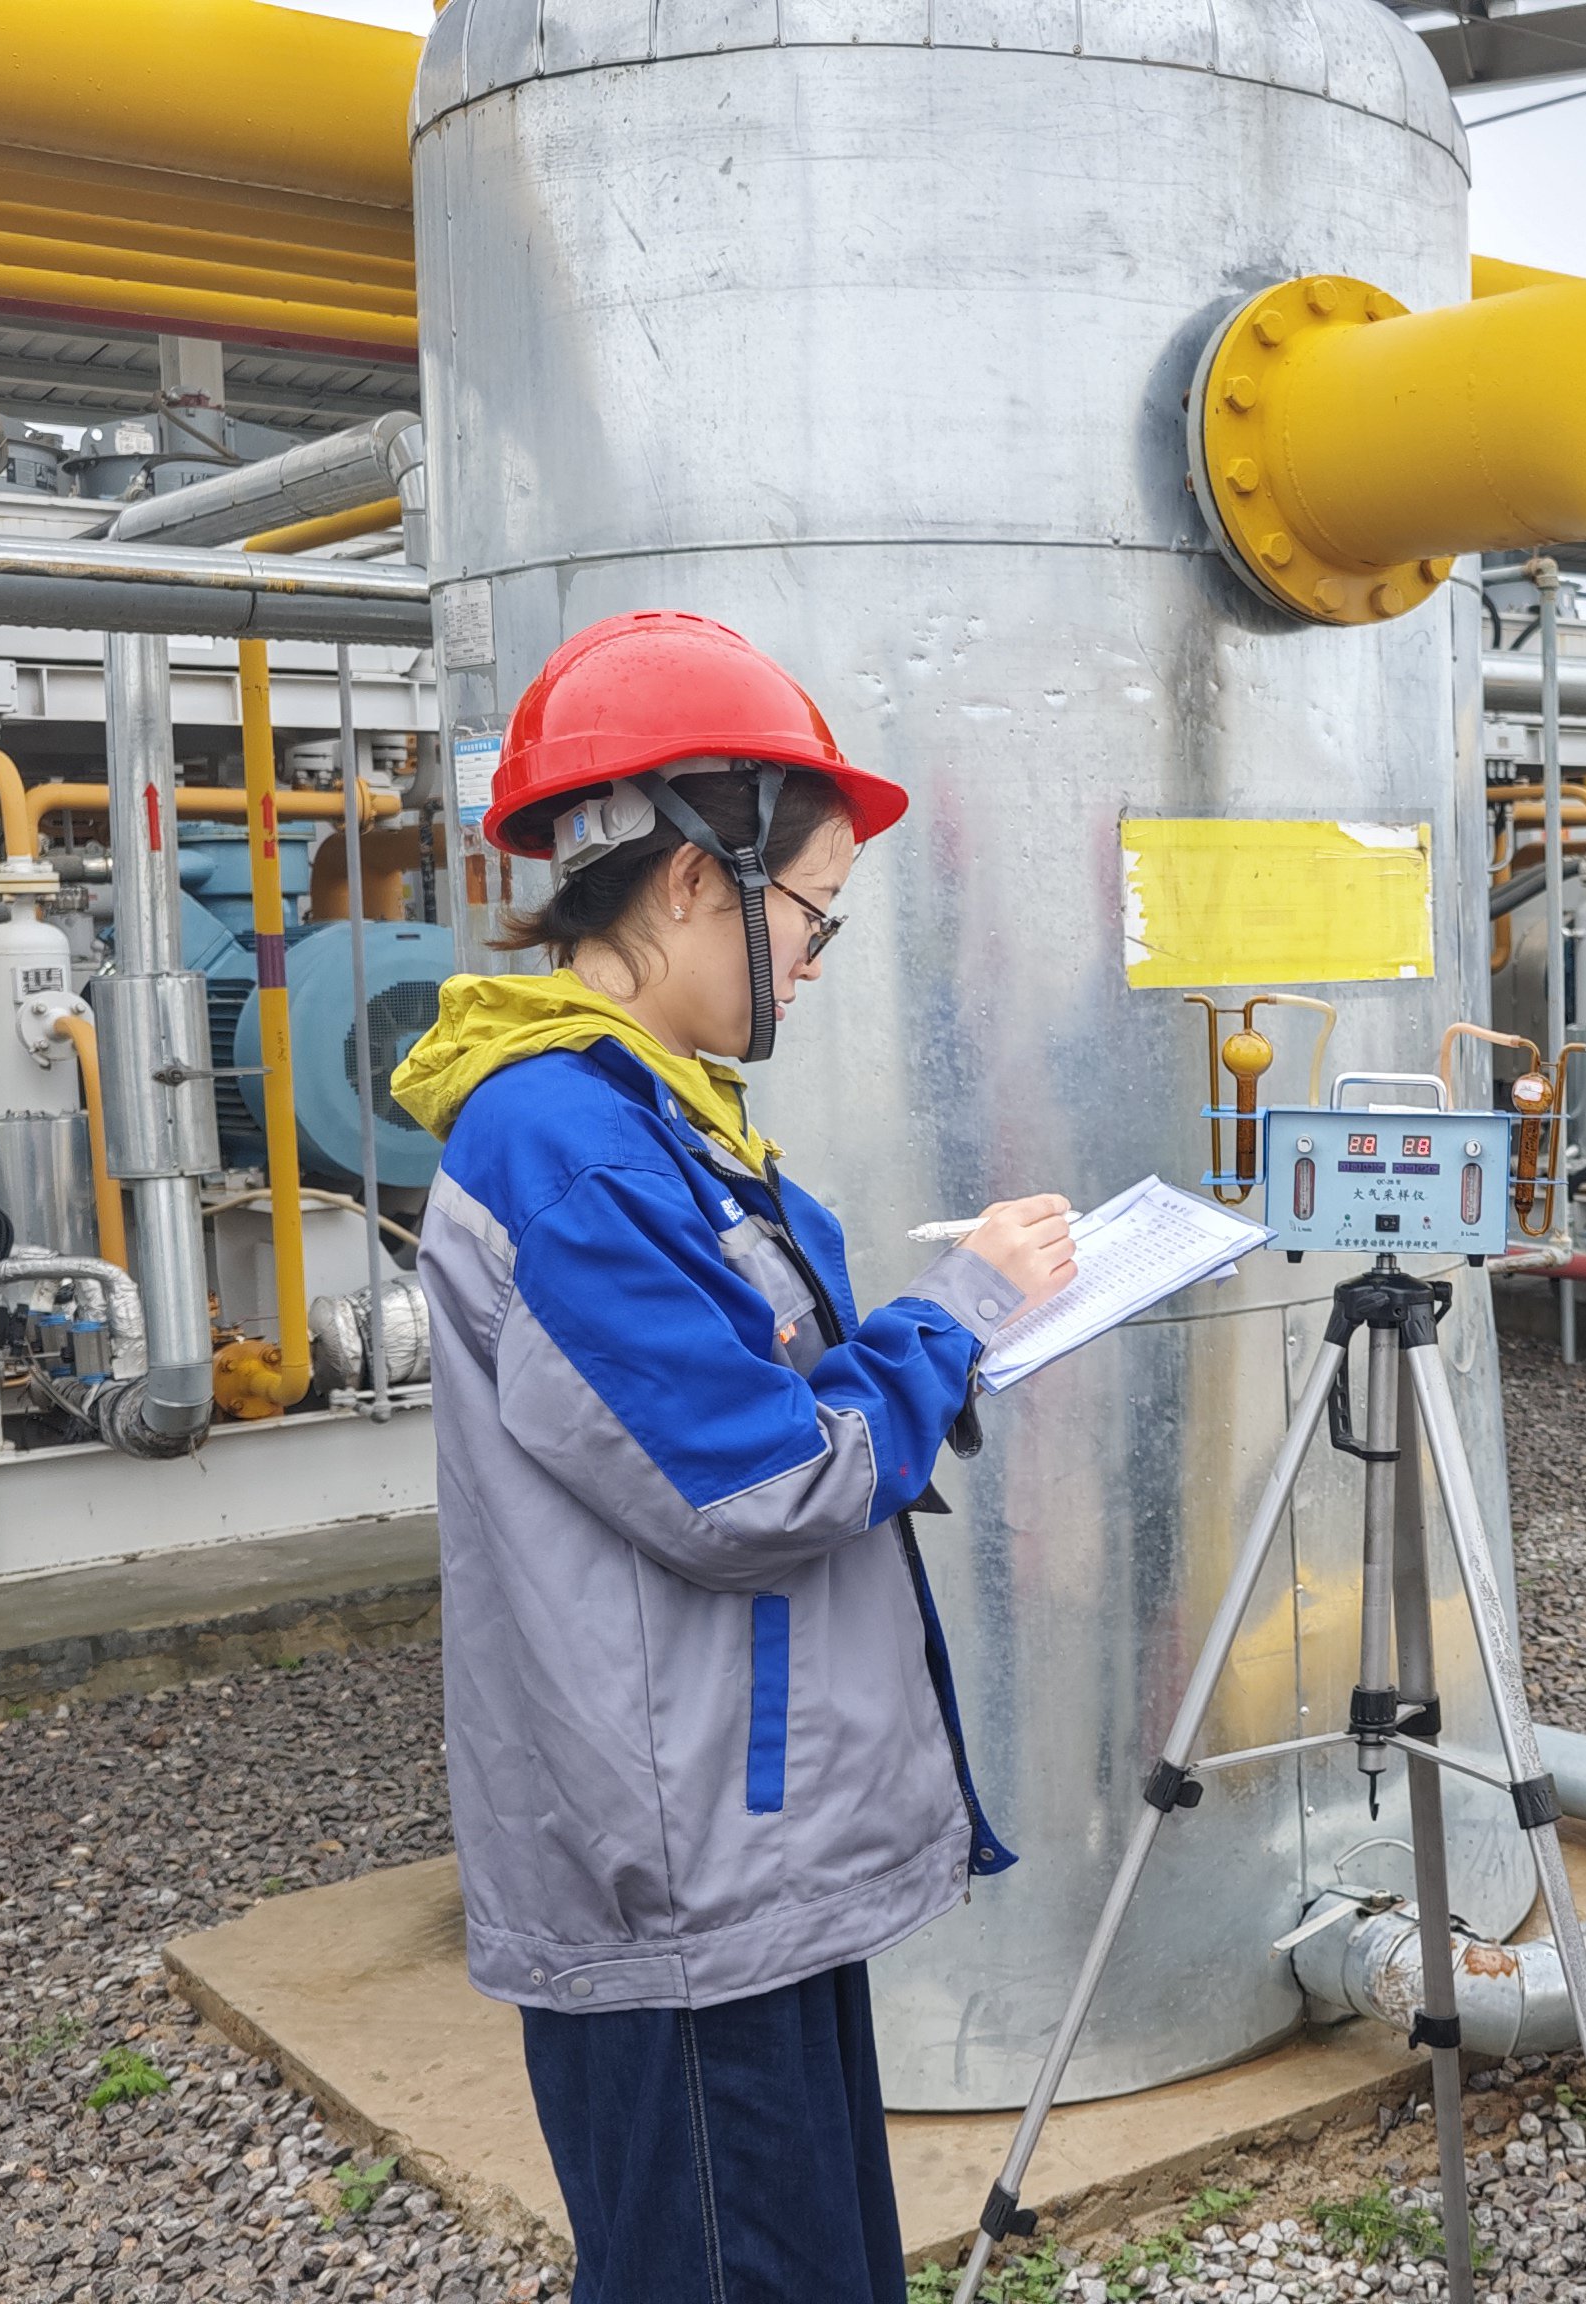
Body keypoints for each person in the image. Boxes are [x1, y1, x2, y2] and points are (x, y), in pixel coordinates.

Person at [389, 610, 1080, 2302]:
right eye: (812, 910)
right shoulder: (574, 1143)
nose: (820, 955)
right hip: (685, 1862)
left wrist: (914, 1348)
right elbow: (757, 1483)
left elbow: (739, 1401)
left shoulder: (643, 1111)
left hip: (730, 1833)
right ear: (697, 879)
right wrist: (958, 1317)